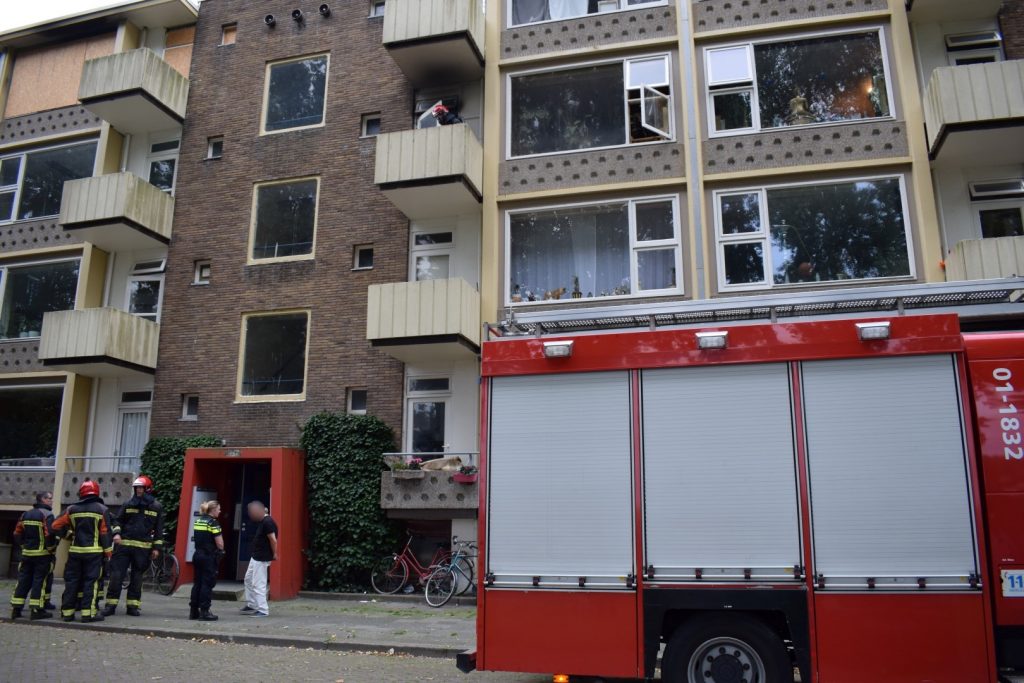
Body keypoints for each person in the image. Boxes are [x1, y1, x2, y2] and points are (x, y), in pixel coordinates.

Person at [50, 481, 113, 623]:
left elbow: (55, 526)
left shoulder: (71, 509)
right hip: (94, 553)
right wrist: (108, 553)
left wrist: (68, 535)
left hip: (75, 552)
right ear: (96, 492)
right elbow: (104, 533)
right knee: (91, 582)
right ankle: (88, 614)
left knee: (72, 582)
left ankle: (67, 613)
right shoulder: (102, 509)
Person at [103, 475, 165, 617]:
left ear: (148, 489)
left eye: (141, 488)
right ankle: (110, 606)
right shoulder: (128, 504)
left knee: (137, 577)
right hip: (123, 546)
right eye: (137, 488)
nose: (138, 490)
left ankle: (132, 606)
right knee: (116, 576)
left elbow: (159, 529)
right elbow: (118, 521)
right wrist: (116, 534)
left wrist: (156, 548)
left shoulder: (156, 507)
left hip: (143, 548)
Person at [9, 492, 55, 620]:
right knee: (39, 581)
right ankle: (36, 610)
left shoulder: (25, 514)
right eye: (50, 498)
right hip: (42, 555)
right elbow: (49, 534)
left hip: (27, 554)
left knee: (23, 580)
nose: (51, 501)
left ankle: (16, 609)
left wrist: (23, 546)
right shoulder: (47, 515)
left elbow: (17, 533)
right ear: (43, 499)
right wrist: (51, 549)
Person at [241, 501, 277, 618]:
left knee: (258, 583)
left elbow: (273, 540)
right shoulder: (264, 521)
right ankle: (252, 604)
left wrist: (274, 553)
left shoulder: (267, 522)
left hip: (262, 557)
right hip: (256, 556)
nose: (250, 514)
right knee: (248, 579)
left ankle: (263, 609)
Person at [189, 500, 224, 621]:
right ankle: (204, 611)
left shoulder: (198, 521)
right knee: (207, 583)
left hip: (197, 555)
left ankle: (193, 611)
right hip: (208, 556)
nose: (220, 511)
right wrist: (221, 551)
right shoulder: (213, 523)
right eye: (218, 509)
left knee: (197, 583)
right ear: (213, 510)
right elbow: (219, 543)